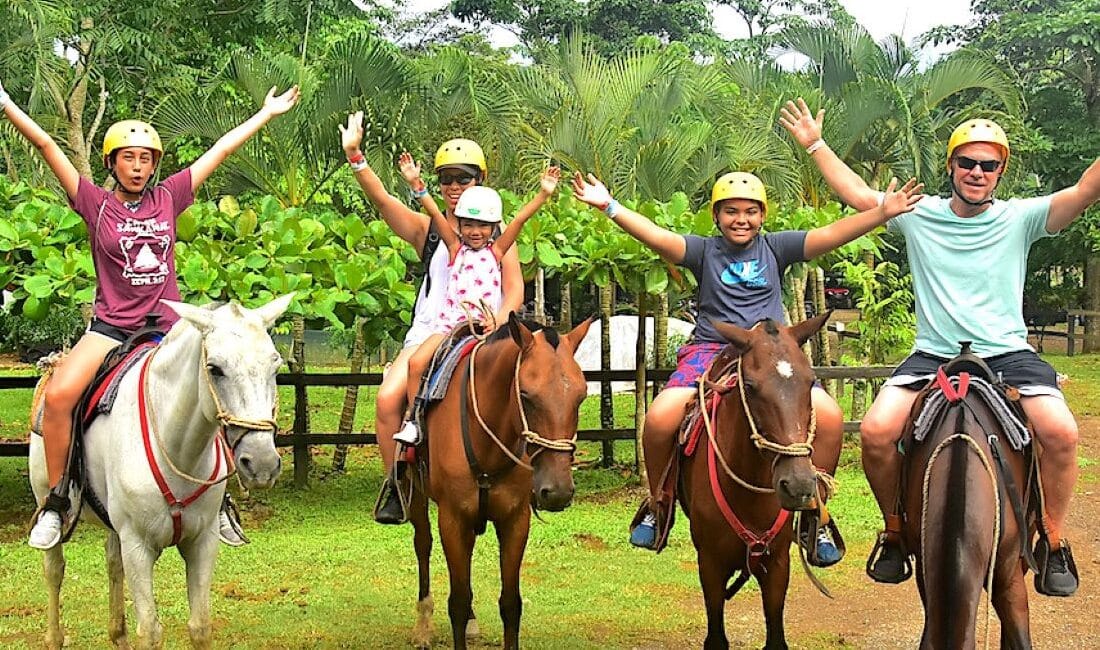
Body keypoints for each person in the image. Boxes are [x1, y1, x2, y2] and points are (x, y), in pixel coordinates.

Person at [780, 97, 1100, 596]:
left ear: (1000, 171)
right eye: (968, 162)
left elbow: (1084, 190)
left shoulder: (1022, 217)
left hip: (1007, 353)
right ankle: (893, 530)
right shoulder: (918, 213)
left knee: (1060, 431)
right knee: (878, 432)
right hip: (934, 354)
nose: (977, 172)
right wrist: (816, 145)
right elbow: (861, 196)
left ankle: (1053, 539)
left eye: (988, 164)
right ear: (950, 166)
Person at [0, 78, 300, 550]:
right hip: (112, 326)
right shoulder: (94, 204)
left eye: (145, 158)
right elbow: (43, 143)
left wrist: (266, 114)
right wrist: (6, 103)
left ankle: (218, 501)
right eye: (128, 157)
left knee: (214, 390)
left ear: (154, 165)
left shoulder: (170, 197)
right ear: (112, 163)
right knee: (58, 398)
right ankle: (59, 501)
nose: (137, 166)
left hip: (170, 327)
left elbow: (220, 150)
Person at [571, 169, 923, 563]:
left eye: (751, 211)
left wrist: (881, 213)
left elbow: (831, 234)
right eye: (731, 211)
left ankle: (816, 510)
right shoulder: (703, 251)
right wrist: (610, 206)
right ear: (716, 215)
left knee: (831, 415)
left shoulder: (776, 248)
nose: (742, 219)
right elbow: (657, 236)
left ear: (763, 215)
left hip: (772, 355)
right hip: (711, 348)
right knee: (660, 416)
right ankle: (660, 503)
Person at [337, 115, 525, 524]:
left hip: (487, 332)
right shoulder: (432, 232)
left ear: (481, 180)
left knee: (535, 392)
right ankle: (398, 486)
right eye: (447, 179)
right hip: (431, 331)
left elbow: (514, 291)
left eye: (464, 178)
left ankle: (529, 472)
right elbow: (385, 202)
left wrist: (500, 322)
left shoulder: (498, 238)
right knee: (388, 399)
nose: (454, 187)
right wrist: (356, 156)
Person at [394, 167, 560, 448]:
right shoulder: (454, 249)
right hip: (449, 329)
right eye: (468, 225)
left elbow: (519, 220)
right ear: (459, 225)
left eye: (483, 226)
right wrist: (415, 183)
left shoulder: (496, 253)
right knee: (416, 363)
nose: (475, 232)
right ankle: (415, 420)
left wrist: (543, 194)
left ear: (494, 228)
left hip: (482, 329)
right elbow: (434, 212)